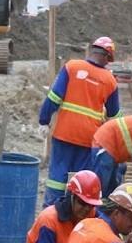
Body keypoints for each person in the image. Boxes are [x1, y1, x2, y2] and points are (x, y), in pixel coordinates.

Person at [39, 37, 121, 207]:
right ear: (107, 57)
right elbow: (114, 112)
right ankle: (76, 211)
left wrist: (43, 120)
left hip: (64, 133)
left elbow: (54, 98)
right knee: (81, 177)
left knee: (57, 176)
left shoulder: (72, 67)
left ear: (92, 51)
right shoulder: (110, 80)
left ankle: (51, 209)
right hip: (88, 139)